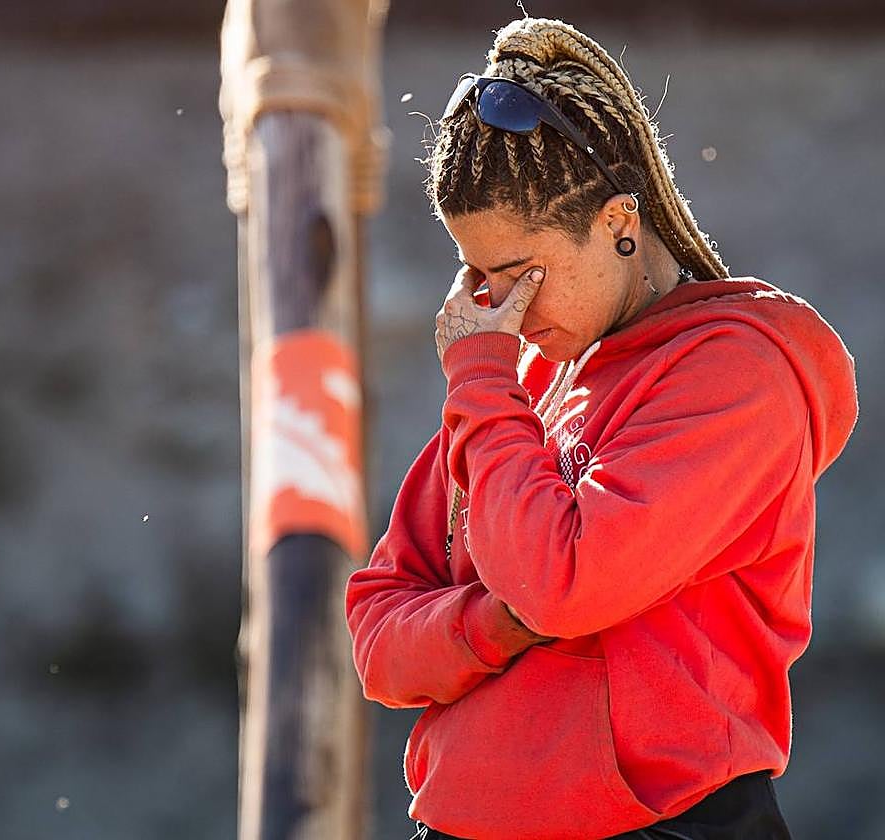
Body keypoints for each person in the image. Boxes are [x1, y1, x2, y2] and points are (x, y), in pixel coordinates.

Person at [343, 16, 859, 840]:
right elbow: (377, 635)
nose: (497, 310)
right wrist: (492, 624)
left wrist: (479, 380)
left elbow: (562, 585)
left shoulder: (738, 372)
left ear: (620, 222)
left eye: (521, 273)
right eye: (476, 276)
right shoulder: (517, 385)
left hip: (660, 827)